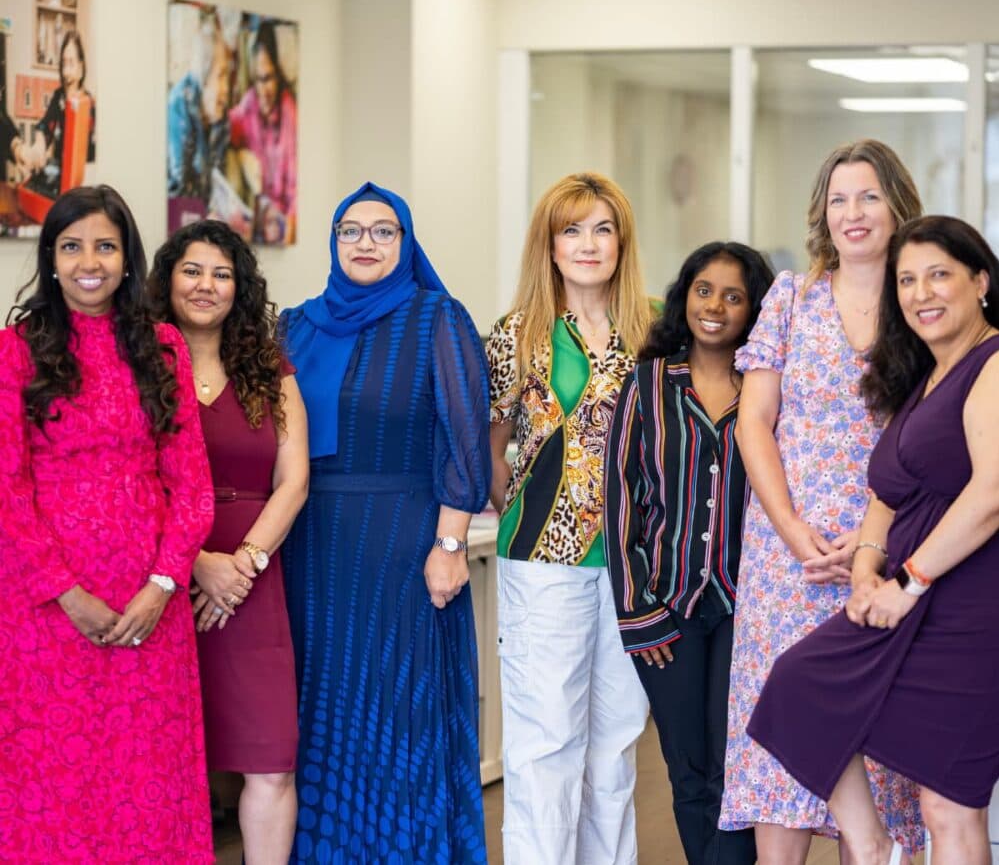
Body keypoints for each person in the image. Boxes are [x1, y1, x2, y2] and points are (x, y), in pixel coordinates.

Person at [748, 215, 999, 865]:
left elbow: (991, 496)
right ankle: (871, 842)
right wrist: (866, 569)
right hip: (910, 596)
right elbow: (887, 493)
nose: (922, 293)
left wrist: (907, 582)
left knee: (948, 803)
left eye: (939, 274)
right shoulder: (930, 377)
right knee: (798, 686)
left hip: (970, 607)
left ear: (981, 281)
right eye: (909, 280)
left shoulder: (993, 363)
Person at [717, 139, 926, 861]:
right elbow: (754, 422)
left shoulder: (922, 304)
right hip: (791, 557)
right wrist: (793, 531)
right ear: (821, 214)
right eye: (839, 199)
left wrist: (876, 543)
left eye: (868, 196)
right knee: (787, 735)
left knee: (874, 742)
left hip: (888, 549)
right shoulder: (791, 296)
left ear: (899, 205)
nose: (853, 213)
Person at [0, 185, 214, 860]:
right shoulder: (15, 351)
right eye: (70, 246)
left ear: (127, 259)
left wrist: (163, 584)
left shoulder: (163, 347)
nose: (87, 261)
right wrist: (64, 591)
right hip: (45, 614)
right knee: (53, 779)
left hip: (151, 611)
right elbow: (7, 490)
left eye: (103, 245)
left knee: (148, 776)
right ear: (51, 257)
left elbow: (192, 486)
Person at [281, 181, 491, 863]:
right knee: (321, 718)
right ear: (333, 241)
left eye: (382, 231)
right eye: (350, 230)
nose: (364, 243)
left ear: (405, 243)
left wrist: (450, 543)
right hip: (310, 550)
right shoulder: (293, 325)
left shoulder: (436, 318)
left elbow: (463, 439)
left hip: (404, 546)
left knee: (398, 714)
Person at [487, 171, 653, 864]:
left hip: (634, 565)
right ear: (549, 245)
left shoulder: (655, 329)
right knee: (544, 744)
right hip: (543, 565)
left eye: (602, 228)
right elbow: (491, 451)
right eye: (572, 229)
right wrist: (531, 513)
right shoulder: (515, 336)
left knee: (614, 748)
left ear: (622, 241)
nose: (588, 244)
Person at [604, 241, 774, 865]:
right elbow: (620, 498)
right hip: (666, 610)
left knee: (738, 763)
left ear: (752, 308)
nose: (717, 306)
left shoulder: (765, 390)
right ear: (685, 297)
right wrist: (637, 610)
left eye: (734, 296)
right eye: (705, 290)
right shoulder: (648, 385)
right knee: (688, 769)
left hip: (745, 606)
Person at [149, 219, 308, 864]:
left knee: (271, 760)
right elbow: (123, 479)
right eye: (192, 270)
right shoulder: (139, 362)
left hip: (254, 577)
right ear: (168, 279)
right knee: (167, 759)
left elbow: (294, 479)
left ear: (240, 287)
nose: (206, 285)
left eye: (222, 273)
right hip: (159, 576)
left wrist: (241, 567)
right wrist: (195, 565)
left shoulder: (268, 365)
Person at [228, 21, 297, 244]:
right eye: (258, 79)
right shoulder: (250, 104)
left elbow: (295, 193)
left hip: (280, 226)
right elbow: (227, 128)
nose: (263, 90)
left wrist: (288, 228)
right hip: (253, 224)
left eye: (268, 78)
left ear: (278, 76)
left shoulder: (289, 114)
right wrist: (241, 155)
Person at [168, 14, 232, 204]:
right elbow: (179, 188)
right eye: (220, 76)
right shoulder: (179, 106)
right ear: (203, 76)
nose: (226, 88)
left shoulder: (221, 115)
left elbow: (219, 182)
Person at [22, 30, 96, 178]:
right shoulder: (59, 97)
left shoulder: (90, 104)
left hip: (82, 179)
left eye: (71, 63)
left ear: (81, 67)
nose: (66, 71)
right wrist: (39, 144)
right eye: (64, 63)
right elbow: (44, 125)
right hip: (58, 174)